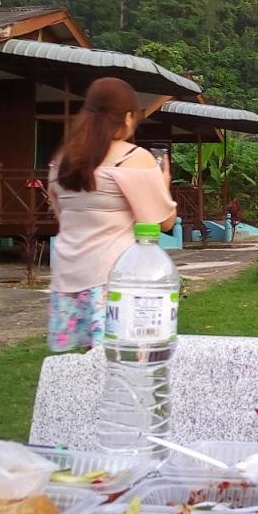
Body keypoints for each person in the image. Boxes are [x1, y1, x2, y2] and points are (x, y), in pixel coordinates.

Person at [46, 77, 177, 353]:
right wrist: (163, 184)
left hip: (68, 278)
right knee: (123, 362)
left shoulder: (62, 161)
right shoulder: (132, 158)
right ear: (128, 117)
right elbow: (162, 223)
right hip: (113, 279)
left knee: (86, 364)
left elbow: (62, 215)